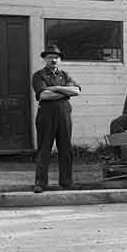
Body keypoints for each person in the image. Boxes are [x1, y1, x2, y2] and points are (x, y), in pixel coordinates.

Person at [31, 43, 81, 193]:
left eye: (56, 57)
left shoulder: (64, 75)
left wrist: (56, 88)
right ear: (45, 59)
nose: (53, 60)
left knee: (65, 149)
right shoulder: (39, 75)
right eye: (50, 57)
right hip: (46, 115)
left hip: (64, 115)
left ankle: (66, 182)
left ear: (60, 60)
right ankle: (41, 183)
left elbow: (76, 91)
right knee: (44, 149)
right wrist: (65, 92)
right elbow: (44, 95)